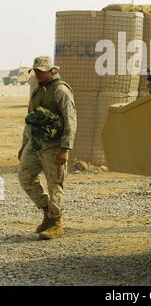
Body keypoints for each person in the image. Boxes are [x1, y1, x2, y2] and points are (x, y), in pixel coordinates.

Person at [18, 56, 77, 240]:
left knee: (55, 184)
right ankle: (46, 213)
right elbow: (31, 119)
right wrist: (24, 144)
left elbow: (71, 121)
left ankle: (56, 223)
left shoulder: (61, 91)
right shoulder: (37, 89)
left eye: (40, 71)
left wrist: (65, 148)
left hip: (54, 146)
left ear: (52, 70)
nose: (37, 74)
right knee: (25, 176)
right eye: (35, 71)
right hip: (35, 144)